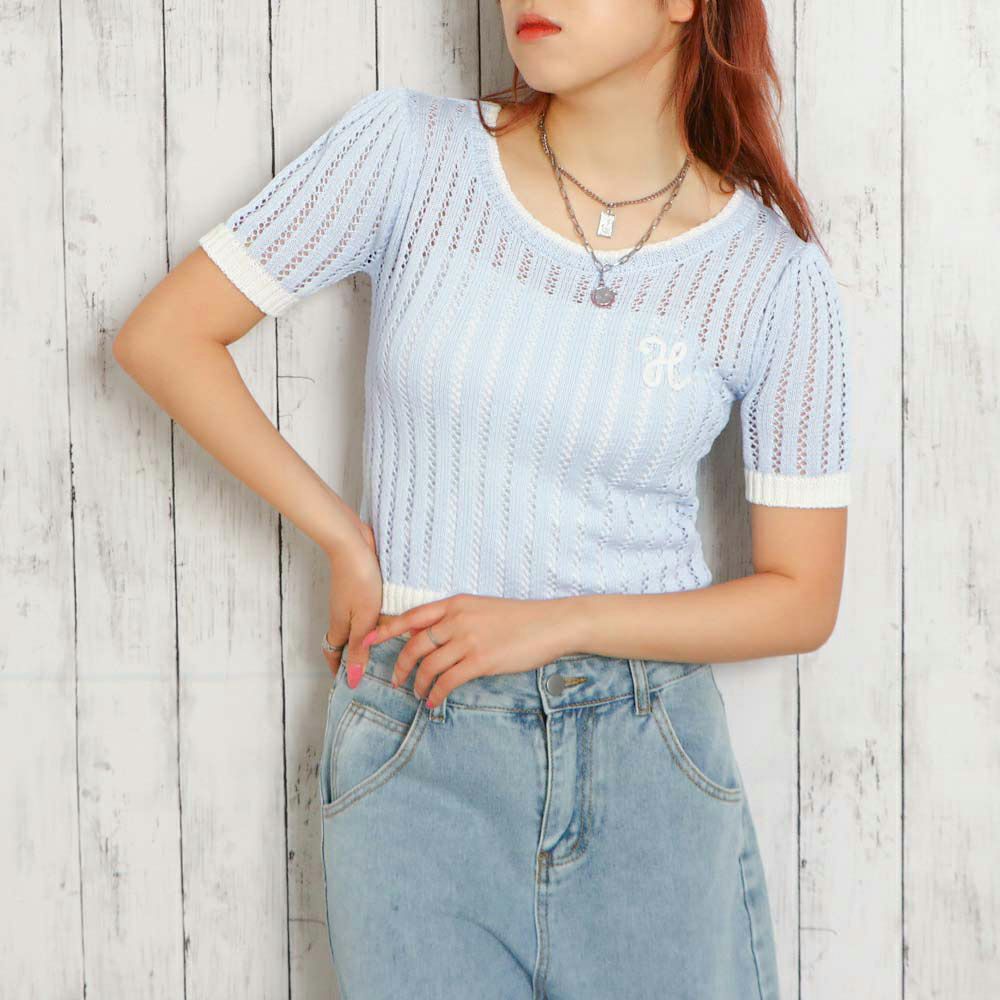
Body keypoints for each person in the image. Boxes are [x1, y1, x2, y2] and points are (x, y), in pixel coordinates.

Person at [114, 1, 851, 997]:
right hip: (417, 740)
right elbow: (164, 338)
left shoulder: (771, 273)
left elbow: (802, 599)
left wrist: (560, 622)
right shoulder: (408, 152)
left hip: (646, 755)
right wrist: (344, 538)